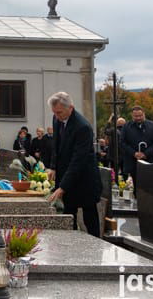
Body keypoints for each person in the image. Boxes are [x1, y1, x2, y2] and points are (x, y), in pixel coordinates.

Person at [46, 91, 102, 237]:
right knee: (69, 212)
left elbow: (78, 160)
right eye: (54, 113)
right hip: (67, 174)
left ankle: (96, 245)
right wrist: (53, 167)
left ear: (70, 108)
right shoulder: (57, 118)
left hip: (85, 178)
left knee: (89, 214)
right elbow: (56, 146)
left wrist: (63, 187)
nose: (57, 116)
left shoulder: (82, 127)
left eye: (59, 112)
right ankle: (70, 243)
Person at [119, 106, 153, 184]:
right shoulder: (126, 127)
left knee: (149, 185)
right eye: (136, 116)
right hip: (132, 162)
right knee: (136, 186)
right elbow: (122, 143)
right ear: (132, 116)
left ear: (144, 114)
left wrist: (145, 153)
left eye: (140, 115)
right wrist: (134, 153)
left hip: (149, 161)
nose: (139, 118)